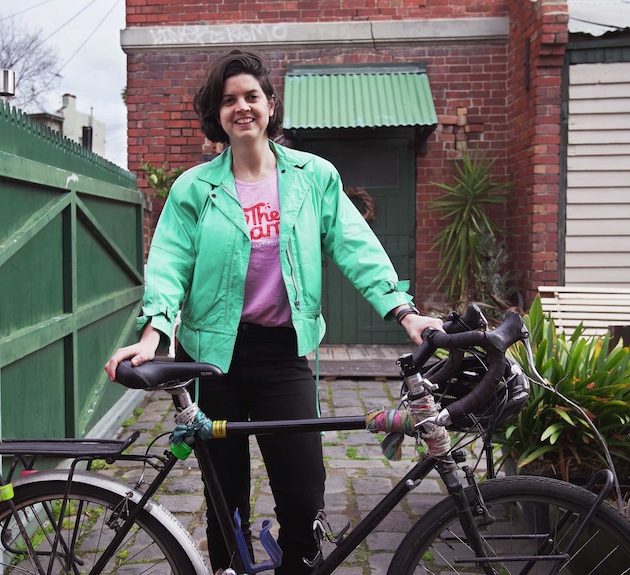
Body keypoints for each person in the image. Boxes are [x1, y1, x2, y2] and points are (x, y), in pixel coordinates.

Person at [105, 49, 443, 575]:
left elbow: (356, 246)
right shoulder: (195, 188)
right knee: (227, 500)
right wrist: (155, 335)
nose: (241, 107)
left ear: (269, 104)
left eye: (251, 96)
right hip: (211, 357)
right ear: (217, 115)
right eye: (228, 100)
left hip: (283, 352)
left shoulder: (314, 177)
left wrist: (404, 313)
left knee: (304, 493)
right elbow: (170, 262)